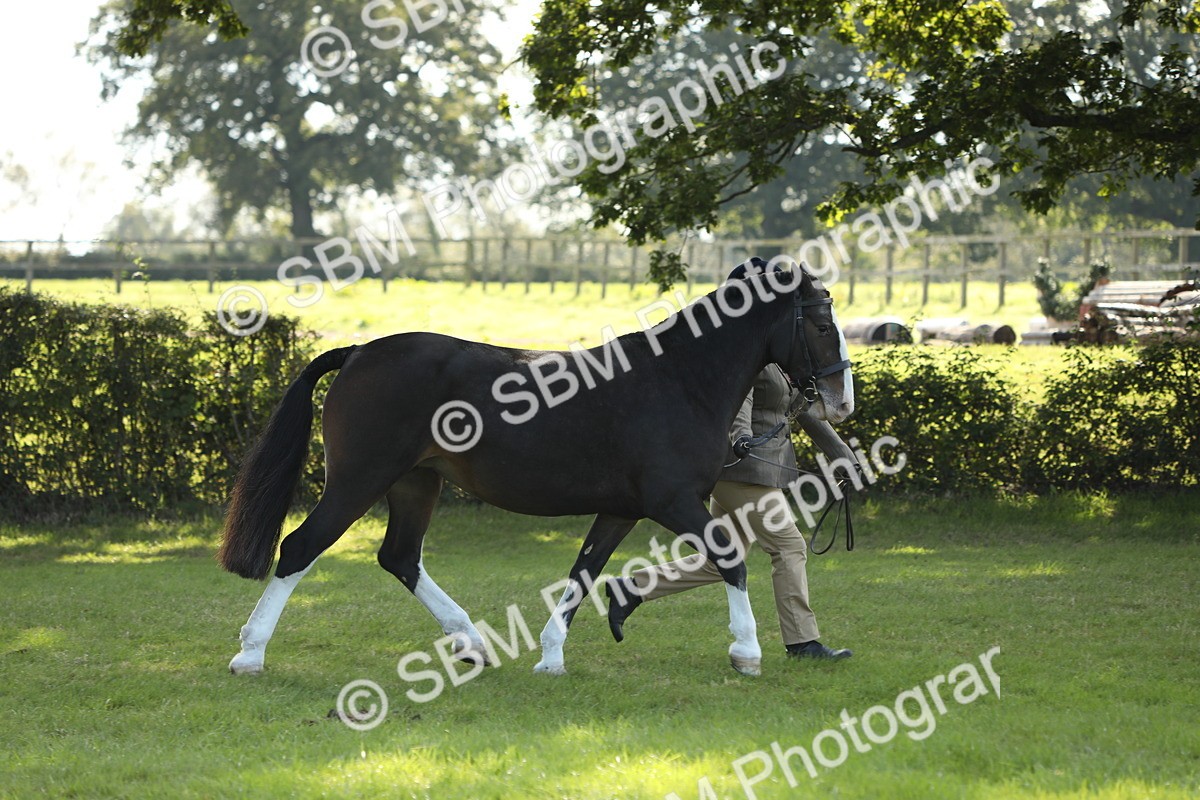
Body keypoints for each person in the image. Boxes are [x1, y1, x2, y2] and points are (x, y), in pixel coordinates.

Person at [605, 261, 858, 660]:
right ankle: (803, 643)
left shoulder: (775, 342)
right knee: (788, 546)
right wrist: (739, 436)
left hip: (750, 468)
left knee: (720, 559)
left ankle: (632, 588)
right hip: (745, 468)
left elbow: (801, 405)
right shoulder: (737, 347)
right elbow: (736, 402)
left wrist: (839, 451)